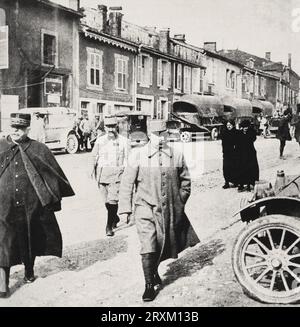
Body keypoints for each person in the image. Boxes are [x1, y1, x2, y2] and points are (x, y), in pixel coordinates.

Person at [118, 120, 200, 302]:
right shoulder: (137, 156)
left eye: (164, 133)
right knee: (148, 244)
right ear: (148, 135)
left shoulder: (176, 155)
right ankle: (149, 285)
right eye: (156, 134)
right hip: (144, 208)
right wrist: (124, 210)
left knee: (163, 242)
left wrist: (178, 202)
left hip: (169, 209)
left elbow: (186, 183)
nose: (160, 138)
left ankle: (153, 271)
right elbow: (126, 185)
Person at [0, 113, 75, 298]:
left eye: (20, 128)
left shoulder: (39, 149)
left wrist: (52, 199)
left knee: (29, 235)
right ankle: (2, 282)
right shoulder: (0, 146)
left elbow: (53, 175)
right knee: (3, 239)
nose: (15, 131)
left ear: (28, 129)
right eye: (13, 127)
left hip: (31, 203)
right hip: (3, 203)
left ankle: (28, 270)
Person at [91, 115, 130, 237]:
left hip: (117, 174)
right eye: (108, 126)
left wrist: (125, 172)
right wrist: (91, 169)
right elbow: (94, 155)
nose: (110, 129)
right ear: (105, 128)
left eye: (113, 126)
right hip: (102, 174)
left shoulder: (124, 141)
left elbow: (128, 159)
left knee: (113, 200)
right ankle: (115, 218)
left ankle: (109, 226)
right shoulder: (100, 140)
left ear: (116, 126)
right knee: (106, 201)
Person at [235, 119, 259, 192]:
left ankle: (249, 184)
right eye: (244, 127)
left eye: (247, 127)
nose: (245, 128)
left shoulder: (251, 132)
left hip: (250, 153)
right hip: (241, 153)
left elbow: (253, 139)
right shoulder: (239, 133)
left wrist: (249, 132)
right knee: (241, 168)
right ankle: (241, 184)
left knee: (250, 168)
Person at [220, 119, 238, 189]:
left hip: (234, 153)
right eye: (227, 125)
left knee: (234, 167)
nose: (229, 126)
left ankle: (235, 181)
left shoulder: (236, 133)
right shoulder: (224, 133)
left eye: (230, 125)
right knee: (226, 168)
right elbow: (223, 143)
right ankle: (226, 182)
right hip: (226, 154)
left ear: (233, 125)